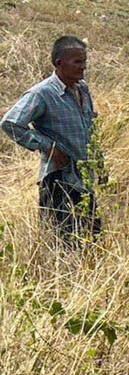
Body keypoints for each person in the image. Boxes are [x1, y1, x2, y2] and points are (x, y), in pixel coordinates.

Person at [2, 36, 100, 243]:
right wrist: (49, 147)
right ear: (59, 63)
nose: (83, 67)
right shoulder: (42, 93)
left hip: (84, 178)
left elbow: (90, 130)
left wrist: (99, 166)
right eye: (77, 62)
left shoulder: (82, 89)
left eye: (84, 61)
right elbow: (11, 123)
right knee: (61, 241)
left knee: (92, 239)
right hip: (59, 179)